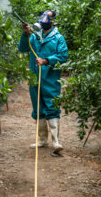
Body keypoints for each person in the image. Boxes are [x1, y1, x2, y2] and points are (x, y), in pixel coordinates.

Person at [18, 10, 68, 154]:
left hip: (51, 79)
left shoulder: (58, 38)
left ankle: (56, 141)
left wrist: (47, 60)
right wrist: (26, 34)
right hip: (35, 78)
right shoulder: (34, 36)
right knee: (38, 108)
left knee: (52, 107)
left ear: (52, 22)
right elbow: (22, 48)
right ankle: (42, 140)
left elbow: (63, 56)